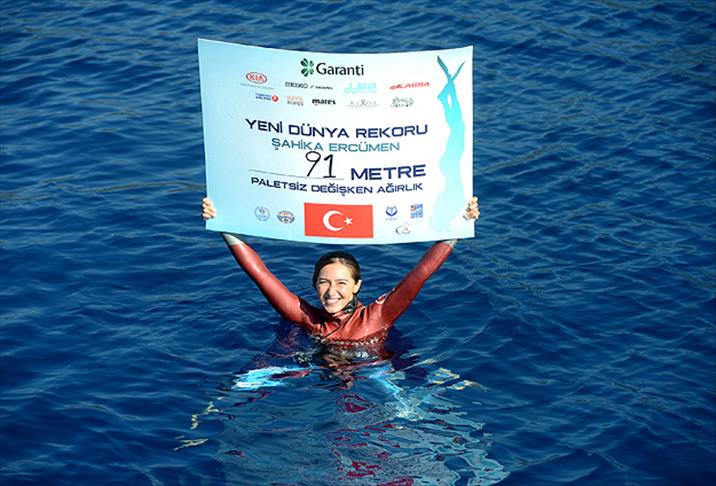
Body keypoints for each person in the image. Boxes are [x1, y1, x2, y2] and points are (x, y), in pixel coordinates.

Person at [201, 197, 479, 356]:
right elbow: (259, 273)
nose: (331, 291)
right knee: (245, 384)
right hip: (318, 375)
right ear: (314, 285)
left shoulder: (378, 316)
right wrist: (222, 223)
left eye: (341, 283)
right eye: (324, 282)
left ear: (357, 285)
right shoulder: (308, 319)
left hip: (373, 374)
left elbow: (421, 273)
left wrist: (460, 224)